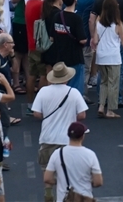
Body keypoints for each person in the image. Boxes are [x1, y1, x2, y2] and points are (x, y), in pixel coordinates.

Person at [32, 62, 88, 202]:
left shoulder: (43, 91)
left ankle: (48, 192)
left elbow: (36, 113)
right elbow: (82, 115)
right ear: (66, 78)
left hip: (47, 138)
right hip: (67, 140)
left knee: (47, 168)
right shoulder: (73, 92)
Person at [43, 122, 103, 202]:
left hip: (64, 199)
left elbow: (47, 178)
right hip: (84, 198)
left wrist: (61, 182)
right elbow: (98, 182)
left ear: (68, 135)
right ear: (82, 136)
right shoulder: (90, 155)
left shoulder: (57, 153)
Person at [94, 0, 123, 118]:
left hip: (101, 55)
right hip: (113, 56)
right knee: (113, 83)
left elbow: (95, 39)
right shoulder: (118, 24)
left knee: (103, 82)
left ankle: (101, 106)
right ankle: (110, 109)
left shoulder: (98, 21)